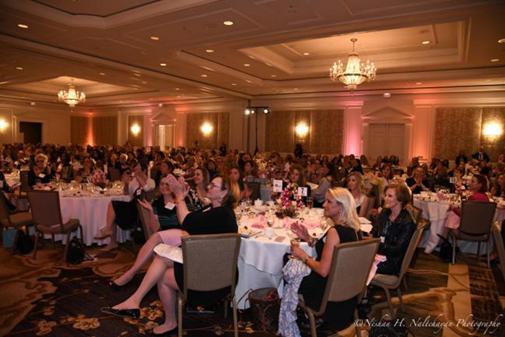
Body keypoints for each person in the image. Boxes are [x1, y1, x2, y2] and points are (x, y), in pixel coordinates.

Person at [102, 174, 238, 335]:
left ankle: (169, 321)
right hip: (216, 272)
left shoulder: (222, 214)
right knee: (162, 258)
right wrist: (182, 197)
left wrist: (180, 197)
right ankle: (135, 300)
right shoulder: (216, 211)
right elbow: (191, 219)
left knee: (163, 275)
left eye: (213, 186)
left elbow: (187, 221)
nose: (208, 187)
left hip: (211, 280)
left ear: (224, 193)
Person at [290, 187, 361, 331]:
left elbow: (323, 270)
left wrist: (302, 255)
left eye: (329, 202)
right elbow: (330, 249)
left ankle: (300, 319)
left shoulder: (335, 232)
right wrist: (308, 238)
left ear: (341, 207)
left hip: (325, 296)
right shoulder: (354, 230)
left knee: (287, 266)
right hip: (347, 293)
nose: (324, 205)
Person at [109, 177, 181, 288]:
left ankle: (130, 273)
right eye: (162, 184)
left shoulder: (181, 201)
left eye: (167, 184)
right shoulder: (158, 203)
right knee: (156, 238)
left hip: (179, 236)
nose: (164, 187)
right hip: (163, 236)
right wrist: (151, 212)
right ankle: (132, 273)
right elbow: (154, 228)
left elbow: (185, 222)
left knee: (156, 240)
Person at [94, 160, 155, 250]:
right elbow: (126, 193)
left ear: (144, 170)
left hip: (141, 210)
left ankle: (108, 231)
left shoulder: (150, 181)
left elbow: (147, 190)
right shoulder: (134, 181)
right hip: (133, 206)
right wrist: (126, 184)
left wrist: (138, 177)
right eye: (135, 168)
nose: (134, 169)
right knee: (113, 206)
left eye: (137, 167)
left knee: (115, 206)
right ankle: (111, 237)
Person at [371, 183, 416, 275]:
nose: (385, 198)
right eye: (386, 195)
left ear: (400, 199)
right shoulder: (385, 212)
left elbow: (397, 250)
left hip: (391, 262)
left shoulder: (407, 222)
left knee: (357, 261)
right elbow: (375, 232)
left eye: (390, 196)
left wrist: (375, 244)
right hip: (379, 253)